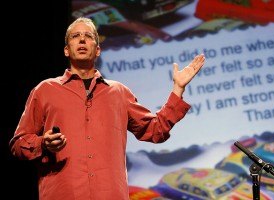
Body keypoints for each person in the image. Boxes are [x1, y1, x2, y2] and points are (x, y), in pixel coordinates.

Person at [9, 17, 205, 200]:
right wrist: (44, 144)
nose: (82, 40)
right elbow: (19, 144)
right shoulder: (45, 90)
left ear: (98, 50)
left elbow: (155, 130)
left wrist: (178, 90)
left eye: (88, 37)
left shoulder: (118, 92)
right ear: (66, 50)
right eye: (76, 37)